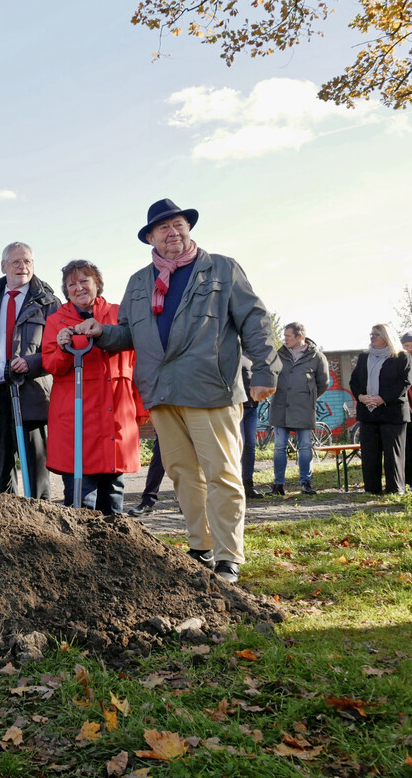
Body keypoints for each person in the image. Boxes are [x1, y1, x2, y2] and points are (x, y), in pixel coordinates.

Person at [73, 199, 280, 584]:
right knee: (183, 473)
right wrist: (101, 333)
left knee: (222, 473)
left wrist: (266, 368)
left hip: (210, 388)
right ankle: (200, 546)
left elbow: (254, 318)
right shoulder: (139, 282)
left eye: (178, 224)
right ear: (150, 237)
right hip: (162, 392)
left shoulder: (220, 268)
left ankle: (227, 555)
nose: (172, 233)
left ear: (188, 228)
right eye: (162, 228)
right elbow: (130, 334)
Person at [46, 259, 144, 515]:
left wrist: (141, 409)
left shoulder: (118, 313)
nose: (78, 287)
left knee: (113, 495)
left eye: (84, 281)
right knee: (80, 499)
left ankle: (115, 551)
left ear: (97, 284)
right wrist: (64, 347)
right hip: (76, 421)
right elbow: (52, 365)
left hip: (115, 414)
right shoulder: (56, 321)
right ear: (66, 291)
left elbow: (136, 362)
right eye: (72, 284)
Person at [0, 242, 61, 498]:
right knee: (0, 466)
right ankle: (8, 524)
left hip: (31, 392)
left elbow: (58, 350)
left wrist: (31, 364)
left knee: (36, 465)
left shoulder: (48, 303)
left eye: (28, 262)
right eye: (16, 262)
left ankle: (40, 517)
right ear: (3, 267)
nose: (23, 267)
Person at [267, 322, 330, 496]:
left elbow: (323, 383)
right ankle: (278, 484)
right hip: (280, 406)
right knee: (279, 446)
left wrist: (308, 397)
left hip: (304, 408)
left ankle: (306, 483)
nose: (284, 338)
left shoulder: (316, 357)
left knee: (305, 446)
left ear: (299, 336)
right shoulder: (278, 355)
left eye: (288, 335)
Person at [348, 324, 412, 495]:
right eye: (371, 334)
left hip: (392, 413)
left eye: (376, 334)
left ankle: (395, 489)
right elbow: (354, 382)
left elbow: (404, 383)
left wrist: (382, 398)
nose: (372, 337)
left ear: (387, 336)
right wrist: (361, 397)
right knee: (370, 454)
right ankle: (371, 489)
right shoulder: (364, 357)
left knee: (393, 455)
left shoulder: (401, 357)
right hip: (368, 413)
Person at [239, 363, 264, 499]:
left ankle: (248, 485)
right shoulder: (228, 347)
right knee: (238, 445)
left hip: (252, 406)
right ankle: (235, 486)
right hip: (236, 406)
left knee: (250, 446)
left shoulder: (253, 353)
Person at [128, 437, 166, 515]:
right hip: (166, 427)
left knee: (188, 462)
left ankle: (187, 501)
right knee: (157, 461)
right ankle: (148, 501)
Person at [403, 332, 412, 487]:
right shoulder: (401, 363)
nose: (410, 349)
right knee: (408, 449)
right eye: (406, 346)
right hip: (407, 411)